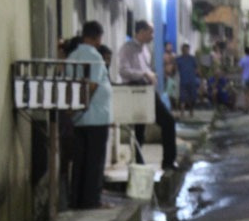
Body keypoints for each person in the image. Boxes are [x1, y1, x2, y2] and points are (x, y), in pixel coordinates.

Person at [117, 20, 178, 171]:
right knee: (144, 127)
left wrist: (150, 76)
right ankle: (142, 163)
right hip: (134, 90)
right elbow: (123, 71)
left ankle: (166, 161)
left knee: (161, 123)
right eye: (150, 32)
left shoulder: (145, 50)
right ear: (141, 32)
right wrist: (144, 73)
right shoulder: (127, 49)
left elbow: (146, 70)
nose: (152, 36)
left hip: (147, 90)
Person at [67, 21, 113, 209]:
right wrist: (82, 105)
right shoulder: (94, 56)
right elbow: (91, 85)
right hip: (95, 117)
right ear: (97, 37)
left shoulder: (72, 56)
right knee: (94, 161)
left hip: (79, 119)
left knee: (80, 161)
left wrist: (73, 109)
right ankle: (91, 200)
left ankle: (77, 199)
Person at [176, 43, 198, 118]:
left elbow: (196, 69)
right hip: (183, 81)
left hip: (191, 80)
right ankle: (182, 112)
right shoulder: (178, 59)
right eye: (184, 49)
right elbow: (175, 69)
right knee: (183, 97)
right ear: (182, 50)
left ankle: (191, 111)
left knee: (192, 97)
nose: (186, 51)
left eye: (187, 49)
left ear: (189, 50)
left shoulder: (192, 59)